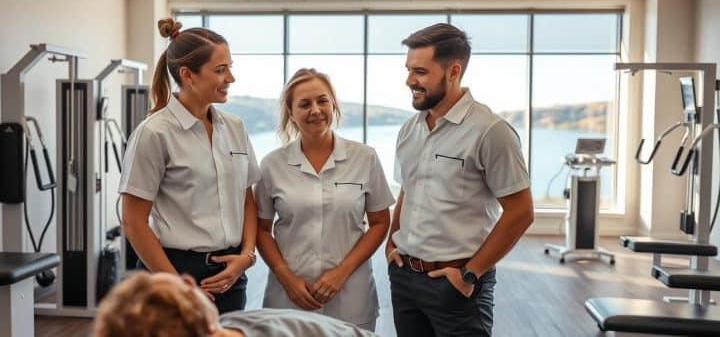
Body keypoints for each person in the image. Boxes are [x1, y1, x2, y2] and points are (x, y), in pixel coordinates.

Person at [385, 23, 535, 336]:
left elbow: (521, 212)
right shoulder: (409, 130)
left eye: (421, 71)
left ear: (453, 71)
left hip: (457, 283)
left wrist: (470, 274)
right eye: (409, 69)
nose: (409, 80)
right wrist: (391, 246)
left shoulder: (491, 131)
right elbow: (406, 193)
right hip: (405, 278)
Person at [118, 18, 260, 314]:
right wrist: (178, 284)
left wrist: (246, 256)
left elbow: (246, 200)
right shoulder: (155, 133)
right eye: (221, 70)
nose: (230, 78)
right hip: (172, 273)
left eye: (230, 67)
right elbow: (133, 221)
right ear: (188, 75)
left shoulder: (235, 127)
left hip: (231, 275)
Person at [254, 68, 394, 331]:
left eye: (322, 101)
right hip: (289, 298)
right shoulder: (272, 164)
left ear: (334, 104)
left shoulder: (365, 157)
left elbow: (379, 223)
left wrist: (340, 274)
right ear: (291, 113)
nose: (315, 110)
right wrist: (286, 278)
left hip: (351, 296)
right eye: (304, 104)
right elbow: (261, 229)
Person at [93, 271, 380, 337]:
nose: (188, 280)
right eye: (185, 290)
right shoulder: (284, 329)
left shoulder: (235, 324)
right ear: (206, 324)